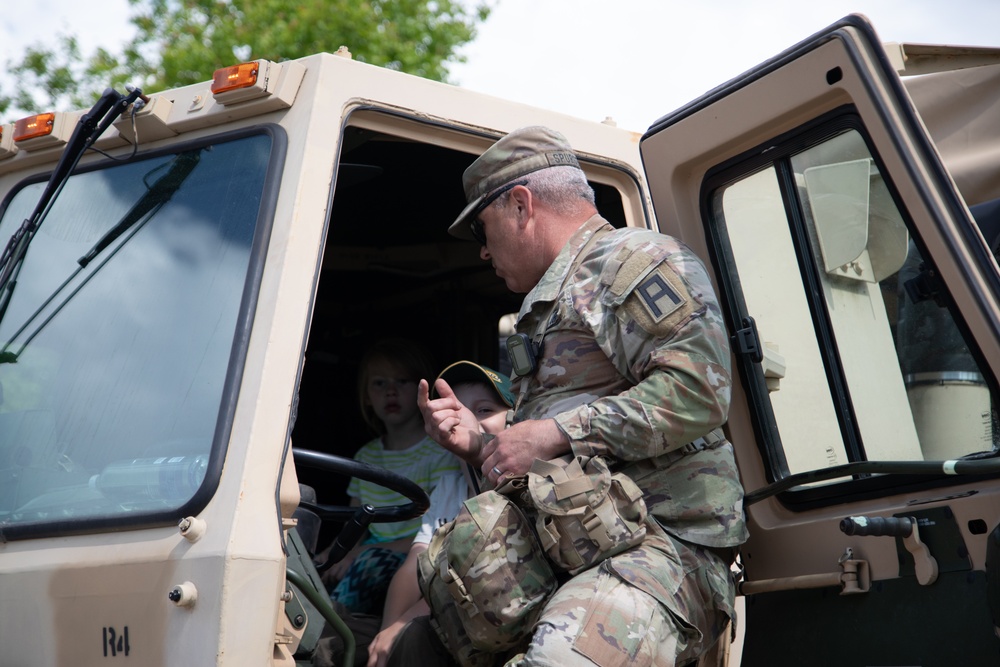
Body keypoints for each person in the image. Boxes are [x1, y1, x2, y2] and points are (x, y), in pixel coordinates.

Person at [416, 126, 748, 666]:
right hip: (571, 549)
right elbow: (555, 452)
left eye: (484, 226)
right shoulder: (547, 303)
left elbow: (698, 391)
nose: (482, 250)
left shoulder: (632, 264)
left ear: (521, 205)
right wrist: (484, 448)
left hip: (659, 550)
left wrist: (551, 432)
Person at [313, 361, 515, 667]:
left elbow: (466, 585)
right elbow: (414, 565)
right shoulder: (448, 488)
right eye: (457, 411)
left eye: (485, 410)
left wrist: (401, 625)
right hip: (436, 614)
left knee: (413, 637)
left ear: (515, 420)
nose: (470, 421)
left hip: (483, 624)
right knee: (323, 638)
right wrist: (386, 633)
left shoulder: (516, 487)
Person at [324, 338, 461, 615]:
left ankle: (330, 630)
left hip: (415, 553)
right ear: (366, 396)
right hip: (366, 554)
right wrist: (331, 555)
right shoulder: (366, 455)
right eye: (379, 383)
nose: (390, 391)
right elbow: (355, 526)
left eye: (402, 381)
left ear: (424, 392)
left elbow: (437, 533)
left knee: (370, 561)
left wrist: (359, 554)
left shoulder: (438, 452)